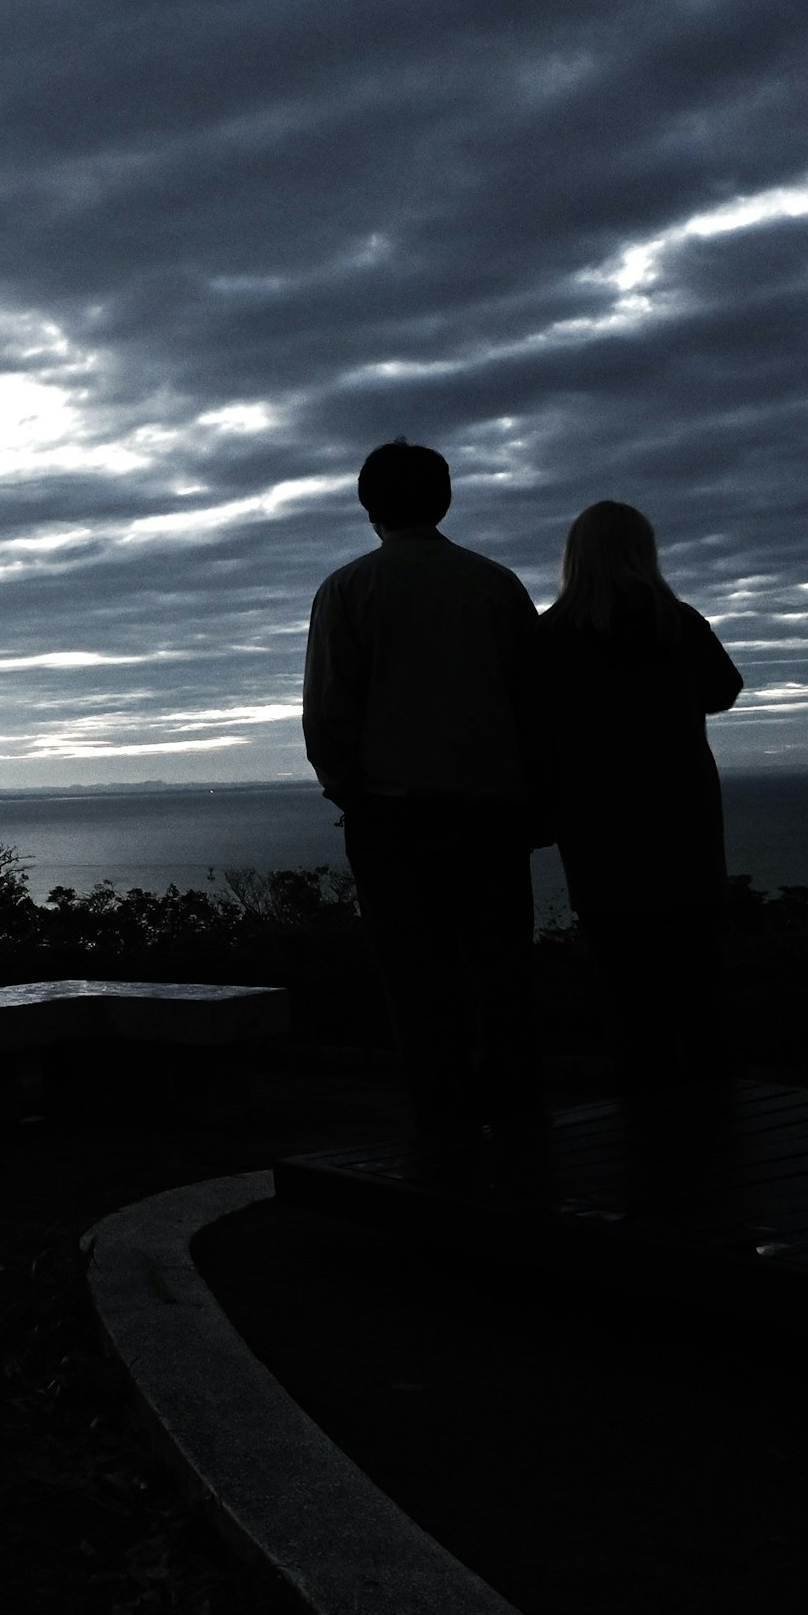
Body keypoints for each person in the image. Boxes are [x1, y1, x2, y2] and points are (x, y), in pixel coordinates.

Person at [303, 437, 550, 1143]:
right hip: (494, 817)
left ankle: (442, 1131)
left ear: (368, 506)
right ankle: (519, 1126)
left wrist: (357, 796)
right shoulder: (497, 584)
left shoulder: (348, 589)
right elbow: (536, 706)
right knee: (503, 974)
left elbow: (328, 713)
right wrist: (534, 801)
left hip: (393, 819)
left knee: (417, 983)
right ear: (444, 500)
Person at [533, 500, 744, 1095]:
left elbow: (530, 724)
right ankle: (715, 1122)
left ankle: (648, 1128)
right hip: (682, 816)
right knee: (698, 980)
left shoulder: (549, 634)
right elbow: (724, 690)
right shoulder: (675, 620)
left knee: (624, 986)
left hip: (596, 826)